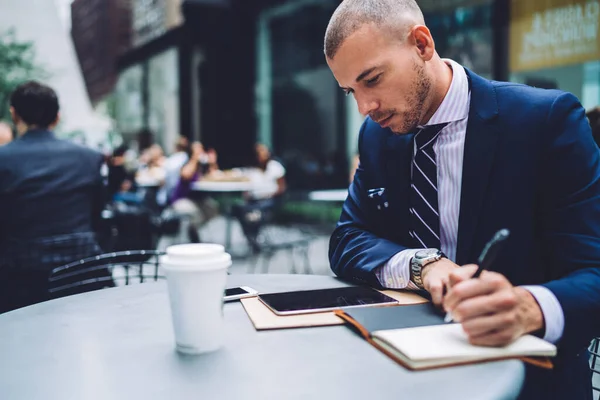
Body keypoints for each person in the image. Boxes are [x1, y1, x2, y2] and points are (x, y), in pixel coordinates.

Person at [324, 1, 600, 398]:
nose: (364, 108)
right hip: (404, 376)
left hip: (526, 381)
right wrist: (423, 266)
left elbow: (593, 270)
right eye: (351, 90)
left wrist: (528, 308)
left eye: (372, 79)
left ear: (421, 44)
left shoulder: (546, 122)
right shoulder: (378, 137)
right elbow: (348, 238)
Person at [0, 81, 113, 313]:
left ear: (14, 114)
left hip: (20, 279)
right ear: (57, 118)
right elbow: (98, 213)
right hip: (83, 272)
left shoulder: (4, 159)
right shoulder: (90, 158)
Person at [233, 143, 286, 252]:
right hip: (254, 200)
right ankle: (251, 235)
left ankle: (253, 233)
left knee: (253, 211)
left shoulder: (275, 166)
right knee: (239, 208)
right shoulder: (252, 169)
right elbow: (246, 188)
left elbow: (282, 187)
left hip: (269, 199)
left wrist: (268, 195)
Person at [170, 141, 219, 243]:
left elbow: (214, 176)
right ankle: (193, 236)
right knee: (195, 213)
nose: (200, 151)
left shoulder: (201, 166)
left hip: (196, 199)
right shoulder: (187, 164)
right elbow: (186, 175)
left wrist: (213, 162)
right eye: (197, 149)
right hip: (181, 199)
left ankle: (193, 229)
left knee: (212, 207)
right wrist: (195, 158)